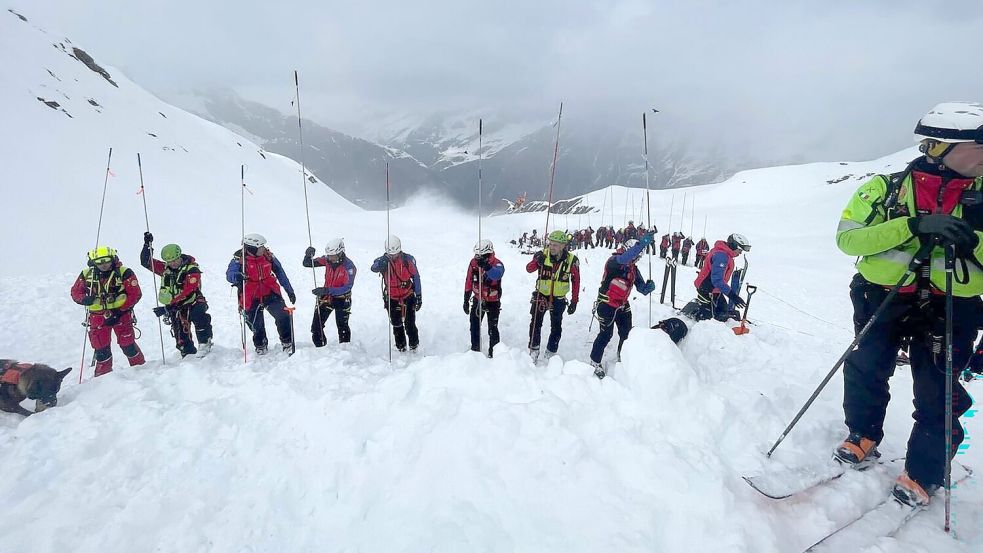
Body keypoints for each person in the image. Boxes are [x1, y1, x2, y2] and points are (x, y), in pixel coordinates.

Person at [833, 102, 983, 508]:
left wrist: (975, 238)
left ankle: (924, 472)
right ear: (943, 147)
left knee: (938, 390)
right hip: (882, 296)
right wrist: (913, 226)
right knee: (866, 366)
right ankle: (862, 434)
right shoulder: (883, 188)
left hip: (951, 305)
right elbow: (849, 239)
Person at [588, 234, 657, 378]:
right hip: (606, 303)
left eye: (639, 257)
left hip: (622, 305)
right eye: (636, 255)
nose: (637, 259)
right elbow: (625, 259)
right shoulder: (614, 261)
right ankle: (594, 361)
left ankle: (623, 356)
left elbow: (641, 288)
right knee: (606, 334)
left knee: (626, 334)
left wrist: (648, 287)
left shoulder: (633, 269)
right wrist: (643, 243)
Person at [70, 246, 145, 376]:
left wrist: (119, 312)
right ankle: (102, 377)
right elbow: (75, 291)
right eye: (99, 262)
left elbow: (135, 294)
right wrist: (84, 299)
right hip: (97, 317)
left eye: (106, 260)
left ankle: (141, 371)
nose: (103, 265)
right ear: (93, 262)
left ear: (112, 259)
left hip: (122, 315)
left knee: (128, 345)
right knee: (101, 349)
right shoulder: (87, 274)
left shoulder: (124, 272)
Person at [140, 233, 213, 358]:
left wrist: (167, 308)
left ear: (180, 257)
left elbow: (189, 291)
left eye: (175, 260)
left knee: (199, 317)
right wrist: (147, 245)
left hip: (193, 301)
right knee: (180, 334)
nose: (173, 263)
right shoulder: (165, 269)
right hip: (175, 307)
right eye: (169, 261)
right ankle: (187, 353)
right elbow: (146, 262)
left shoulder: (191, 269)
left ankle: (205, 343)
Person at [226, 233, 296, 355]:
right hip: (250, 295)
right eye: (260, 247)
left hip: (270, 291)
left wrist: (289, 290)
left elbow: (280, 272)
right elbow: (229, 275)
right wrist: (237, 276)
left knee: (283, 315)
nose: (263, 249)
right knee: (256, 324)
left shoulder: (268, 256)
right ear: (252, 248)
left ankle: (287, 342)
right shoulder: (238, 259)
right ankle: (260, 345)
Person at [526, 230, 581, 362]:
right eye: (550, 244)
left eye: (555, 245)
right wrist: (536, 261)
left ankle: (551, 350)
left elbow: (576, 281)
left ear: (563, 246)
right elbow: (529, 269)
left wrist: (574, 301)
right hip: (541, 295)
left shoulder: (571, 261)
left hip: (559, 299)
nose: (551, 247)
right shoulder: (542, 255)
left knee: (556, 326)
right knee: (535, 323)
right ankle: (534, 349)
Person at [371, 235, 422, 352]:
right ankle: (401, 346)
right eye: (391, 254)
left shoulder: (407, 260)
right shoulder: (382, 260)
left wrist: (419, 296)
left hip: (408, 295)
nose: (393, 256)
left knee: (410, 323)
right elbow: (373, 268)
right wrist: (382, 263)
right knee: (396, 323)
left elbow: (416, 277)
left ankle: (414, 345)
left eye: (395, 254)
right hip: (392, 297)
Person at [304, 238, 356, 347]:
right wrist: (308, 254)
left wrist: (327, 290)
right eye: (329, 255)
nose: (330, 258)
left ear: (341, 253)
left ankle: (345, 349)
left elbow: (347, 287)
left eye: (333, 255)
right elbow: (308, 263)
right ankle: (320, 347)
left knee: (342, 325)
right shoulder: (326, 260)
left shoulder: (349, 267)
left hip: (342, 298)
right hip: (326, 297)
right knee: (316, 326)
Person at [692, 233, 751, 321]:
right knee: (707, 319)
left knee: (722, 312)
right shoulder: (722, 256)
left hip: (715, 289)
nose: (740, 253)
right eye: (740, 250)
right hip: (707, 289)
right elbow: (717, 280)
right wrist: (733, 296)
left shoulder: (725, 253)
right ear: (734, 246)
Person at [464, 239, 505, 357]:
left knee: (493, 328)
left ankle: (494, 352)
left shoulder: (497, 264)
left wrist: (486, 267)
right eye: (476, 255)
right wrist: (466, 299)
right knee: (474, 325)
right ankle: (475, 350)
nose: (477, 257)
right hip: (478, 299)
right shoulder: (473, 263)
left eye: (479, 255)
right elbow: (468, 280)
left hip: (493, 301)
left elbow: (497, 274)